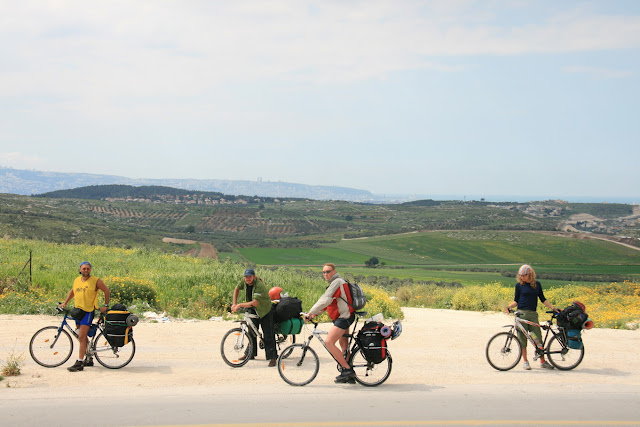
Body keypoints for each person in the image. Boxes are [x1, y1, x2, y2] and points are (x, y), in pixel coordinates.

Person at [306, 263, 356, 383]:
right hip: (346, 315)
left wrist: (310, 312)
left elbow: (325, 299)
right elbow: (331, 302)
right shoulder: (337, 282)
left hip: (344, 317)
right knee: (344, 346)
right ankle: (348, 377)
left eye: (328, 271)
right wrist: (316, 313)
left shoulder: (337, 282)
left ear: (334, 271)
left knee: (329, 342)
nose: (325, 274)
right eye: (323, 272)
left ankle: (347, 370)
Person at [59, 261, 110, 372]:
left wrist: (105, 305)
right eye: (84, 268)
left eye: (88, 268)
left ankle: (79, 362)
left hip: (88, 311)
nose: (86, 270)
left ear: (90, 270)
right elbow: (73, 291)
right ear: (80, 269)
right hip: (78, 311)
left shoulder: (96, 281)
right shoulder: (77, 280)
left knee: (82, 336)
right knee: (80, 335)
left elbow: (106, 290)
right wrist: (65, 302)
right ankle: (89, 357)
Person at [505, 264, 558, 370]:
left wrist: (553, 308)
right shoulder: (519, 286)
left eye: (524, 275)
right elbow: (516, 300)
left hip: (533, 315)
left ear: (530, 274)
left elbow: (543, 299)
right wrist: (509, 307)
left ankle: (542, 361)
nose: (522, 277)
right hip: (521, 314)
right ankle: (525, 362)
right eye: (520, 275)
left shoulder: (537, 285)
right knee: (522, 339)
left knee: (537, 338)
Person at [231, 268, 277, 367]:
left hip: (264, 310)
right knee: (251, 332)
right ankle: (250, 353)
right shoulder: (244, 282)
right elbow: (237, 289)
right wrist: (234, 303)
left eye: (250, 277)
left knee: (268, 334)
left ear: (254, 277)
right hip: (253, 309)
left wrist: (239, 305)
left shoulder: (259, 285)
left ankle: (273, 357)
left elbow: (255, 303)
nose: (248, 279)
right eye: (246, 277)